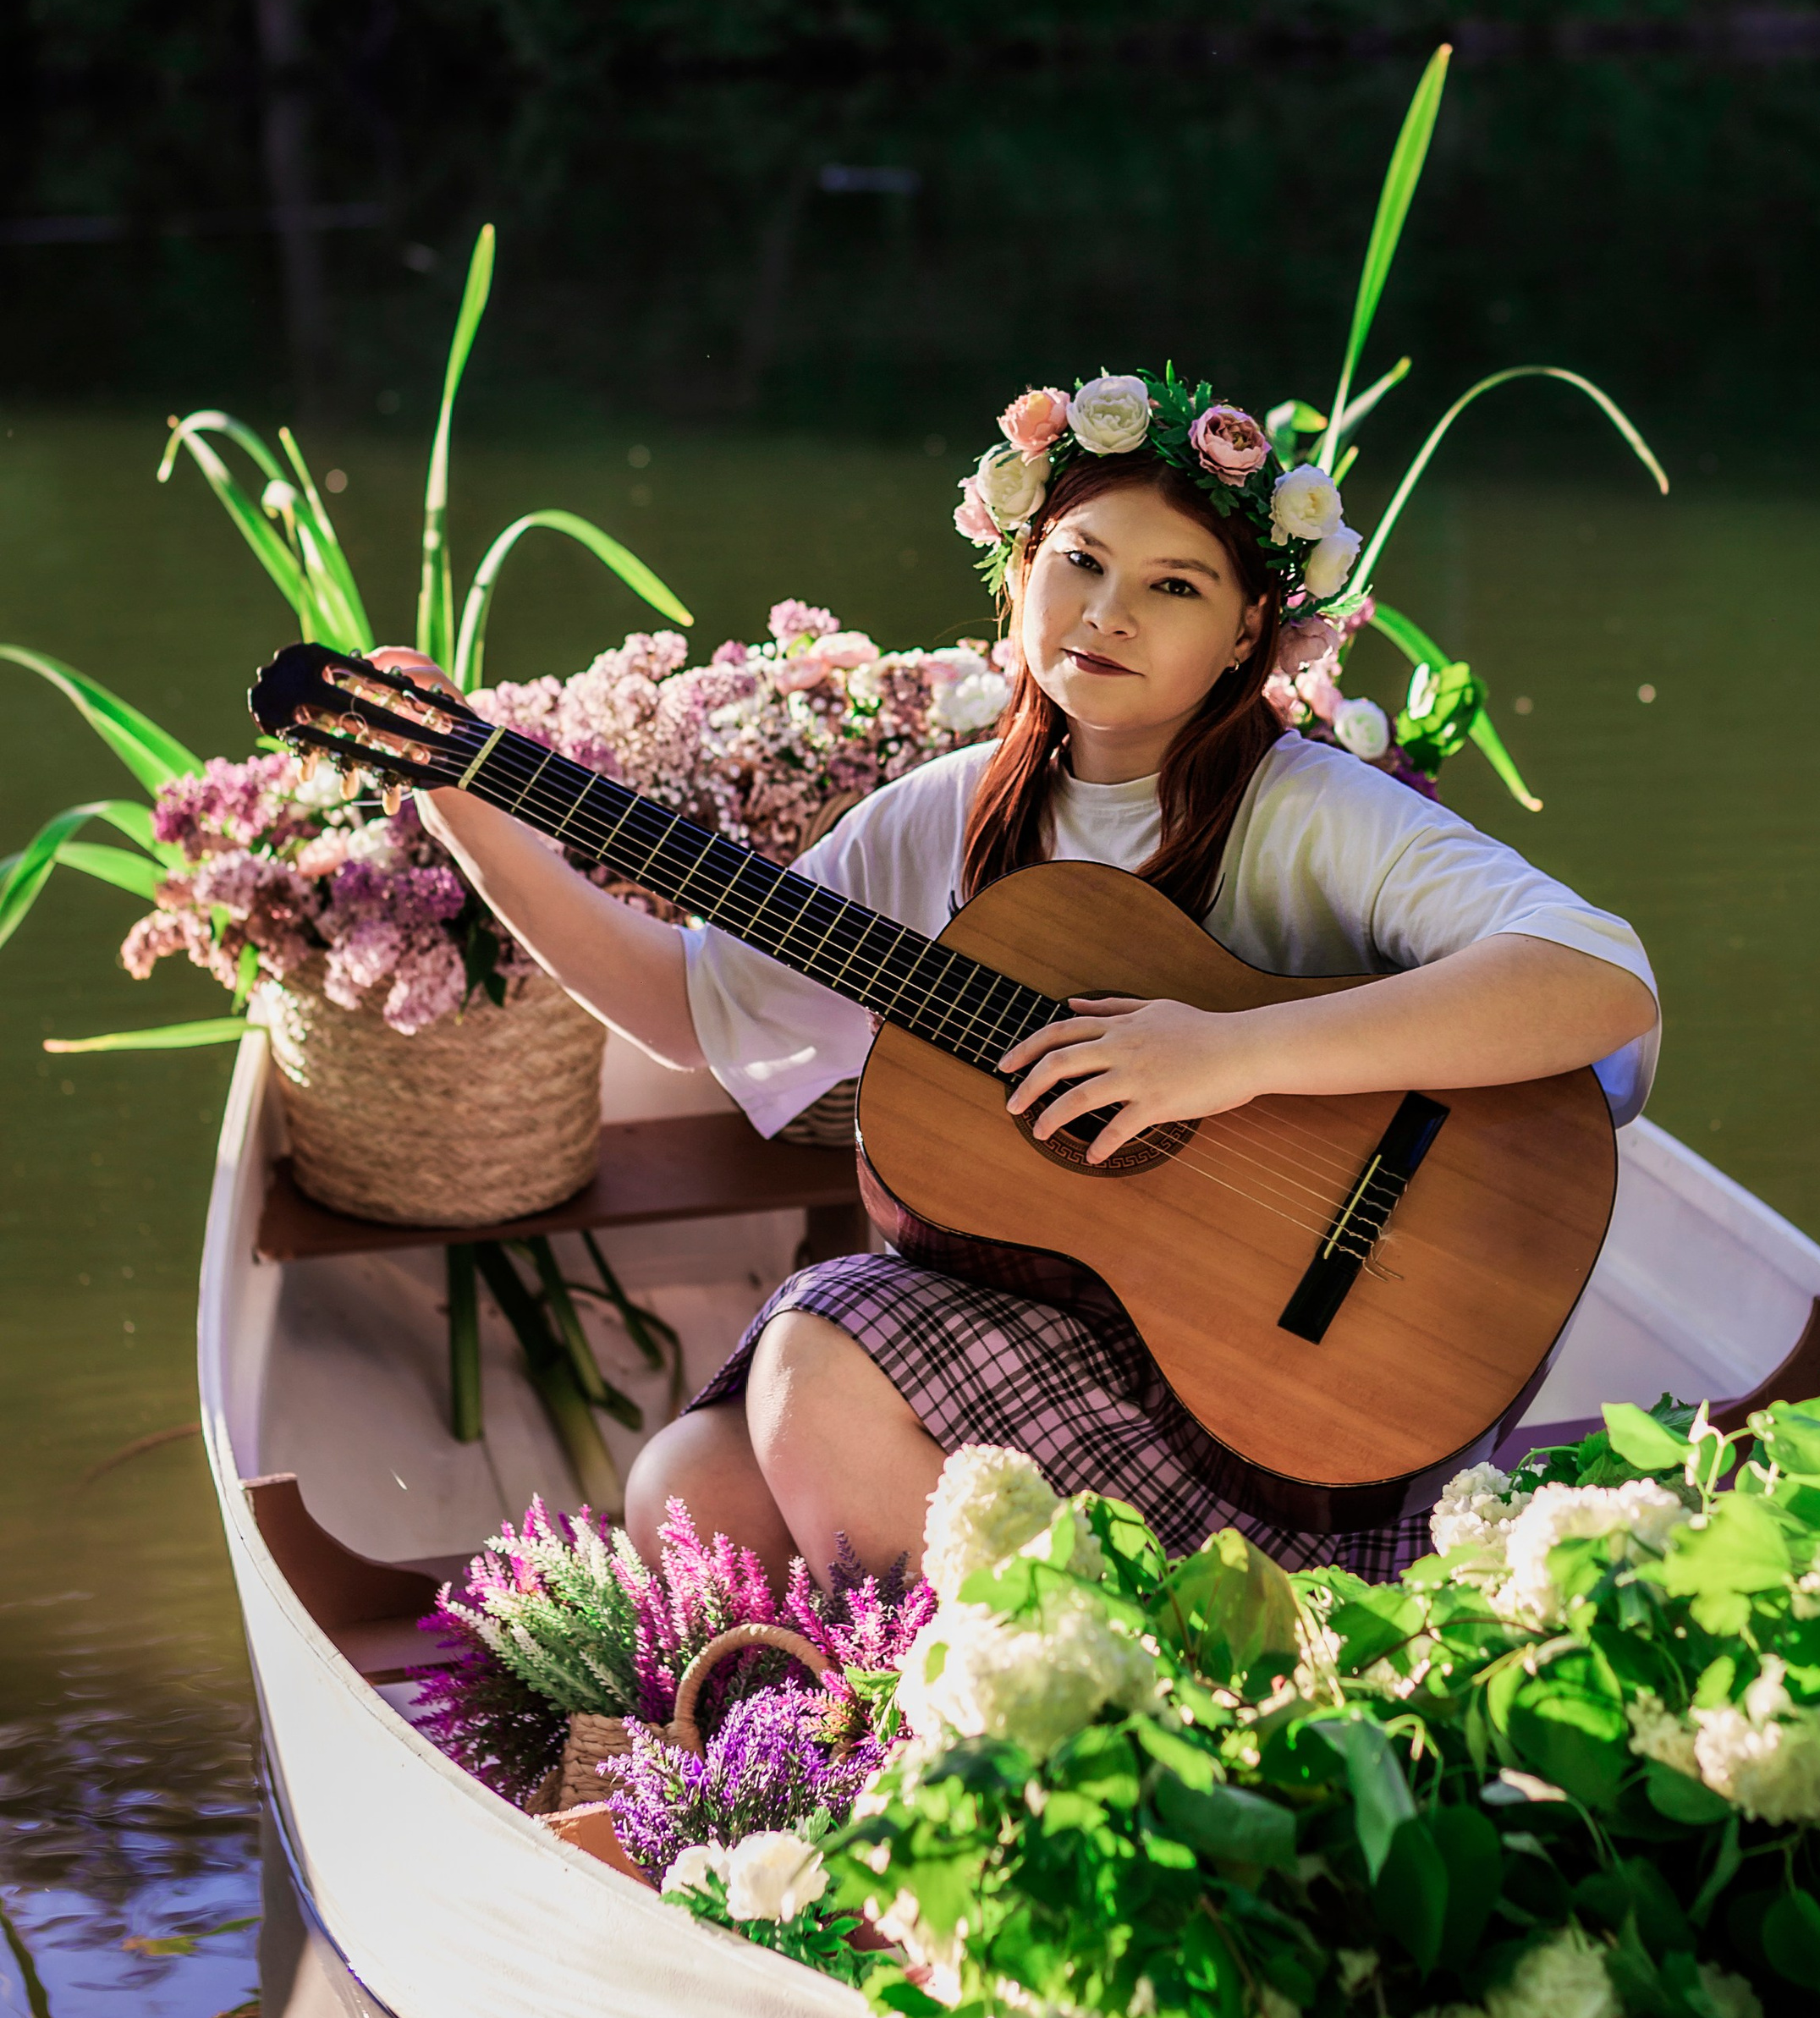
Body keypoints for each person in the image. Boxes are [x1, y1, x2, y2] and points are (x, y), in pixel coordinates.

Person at [386, 368, 1658, 1596]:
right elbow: (689, 1004)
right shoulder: (941, 820)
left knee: (814, 1353)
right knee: (687, 1496)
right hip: (1106, 1333)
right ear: (1017, 581)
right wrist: (470, 809)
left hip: (1309, 1384)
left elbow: (1602, 984)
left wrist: (1225, 1056)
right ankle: (982, 1690)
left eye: (1174, 587)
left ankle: (1086, 1712)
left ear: (1245, 640)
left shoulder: (1311, 810)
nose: (1109, 612)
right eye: (1080, 563)